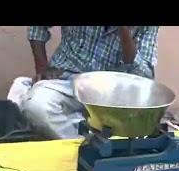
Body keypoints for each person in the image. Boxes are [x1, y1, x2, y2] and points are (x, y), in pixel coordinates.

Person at [21, 26, 159, 139]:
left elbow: (145, 75)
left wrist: (124, 32)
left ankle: (83, 133)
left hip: (111, 93)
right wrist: (42, 67)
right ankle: (83, 146)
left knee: (136, 128)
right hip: (67, 78)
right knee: (35, 107)